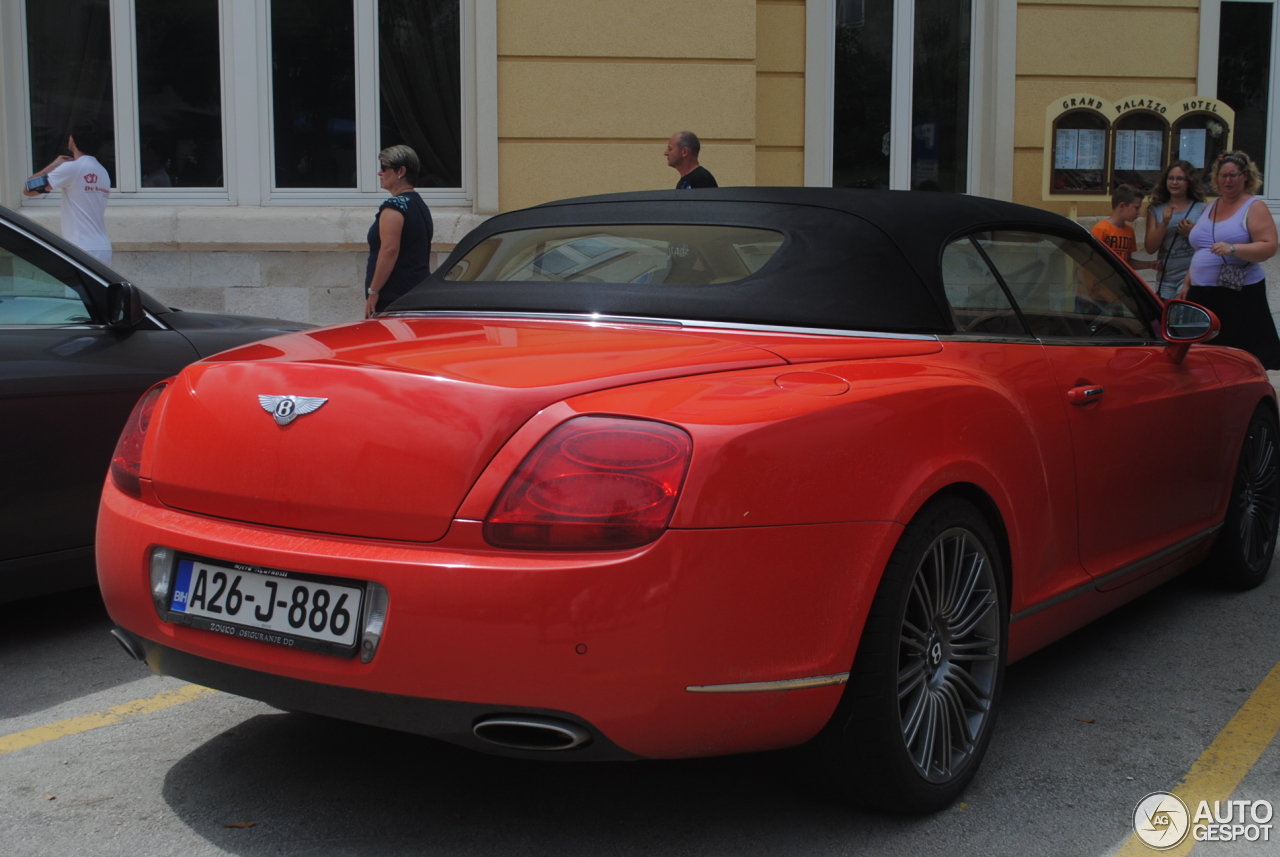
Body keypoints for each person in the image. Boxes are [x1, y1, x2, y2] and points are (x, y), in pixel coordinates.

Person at [1179, 151, 1280, 369]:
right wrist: (1187, 282)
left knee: (1237, 356)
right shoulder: (1211, 206)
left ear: (1245, 176)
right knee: (1203, 355)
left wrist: (1233, 249)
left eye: (1233, 175)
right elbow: (1201, 249)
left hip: (1238, 292)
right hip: (1202, 291)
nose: (1227, 180)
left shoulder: (1254, 206)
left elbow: (1269, 246)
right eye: (1223, 175)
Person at [23, 120, 112, 265]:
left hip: (81, 247)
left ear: (72, 140)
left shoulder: (72, 168)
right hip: (103, 247)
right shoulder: (102, 172)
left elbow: (28, 190)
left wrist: (53, 165)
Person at [364, 145, 433, 318]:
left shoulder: (395, 206)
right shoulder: (419, 205)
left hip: (394, 298)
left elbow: (389, 250)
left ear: (401, 171)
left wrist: (374, 291)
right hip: (418, 292)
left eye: (384, 168)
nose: (380, 173)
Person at [1143, 160, 1206, 300]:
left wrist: (1192, 233)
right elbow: (1150, 248)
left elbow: (1210, 242)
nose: (1174, 182)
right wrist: (1165, 223)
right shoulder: (1156, 209)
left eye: (1180, 179)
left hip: (1190, 276)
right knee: (1166, 318)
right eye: (1171, 178)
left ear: (1189, 181)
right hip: (1166, 278)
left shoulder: (1201, 208)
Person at [1091, 185, 1157, 272]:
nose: (1138, 212)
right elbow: (1092, 260)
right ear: (1122, 206)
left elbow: (1127, 262)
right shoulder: (1101, 229)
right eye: (1136, 208)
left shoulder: (1130, 231)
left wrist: (1150, 264)